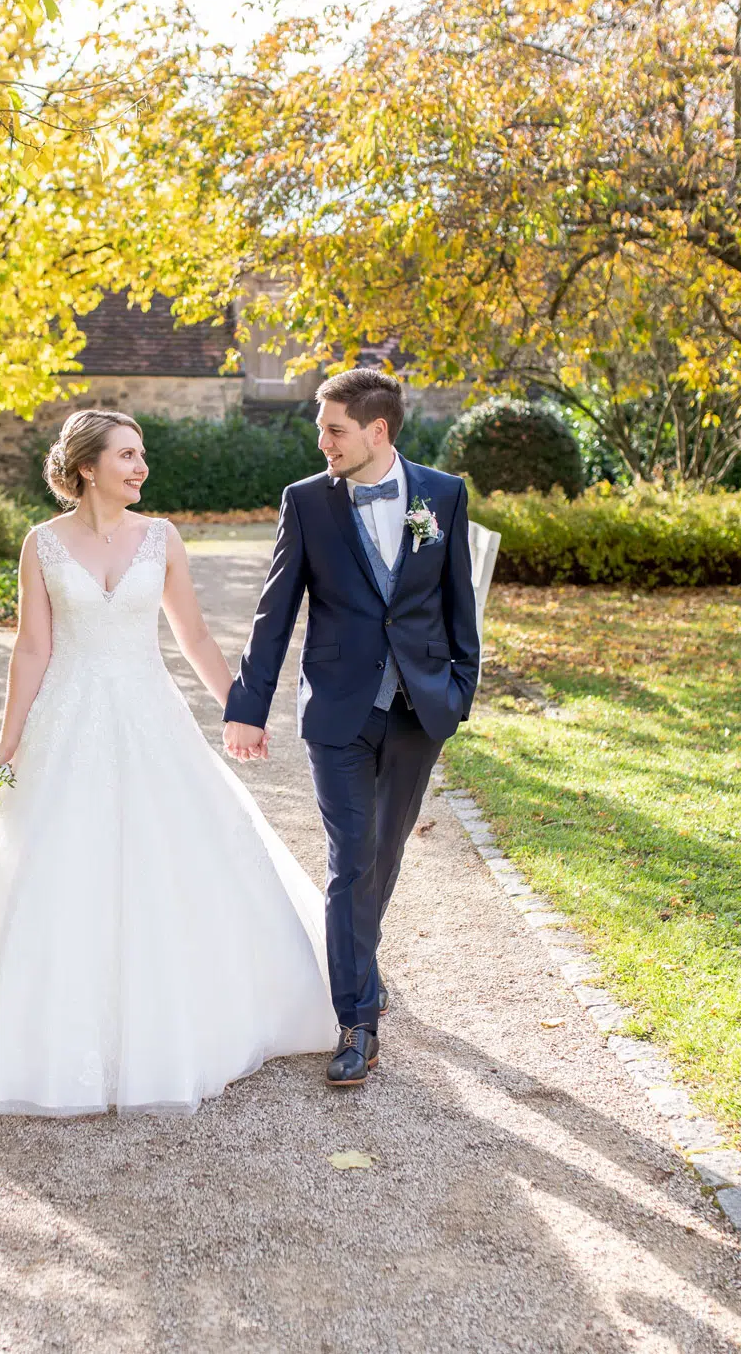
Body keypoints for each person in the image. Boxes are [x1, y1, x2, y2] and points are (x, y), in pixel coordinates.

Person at [0, 409, 337, 1116]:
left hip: (148, 716)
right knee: (41, 863)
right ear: (86, 467)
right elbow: (32, 648)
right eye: (127, 455)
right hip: (66, 718)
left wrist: (238, 705)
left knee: (173, 860)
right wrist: (7, 742)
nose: (141, 466)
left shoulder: (161, 538)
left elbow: (191, 632)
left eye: (142, 454)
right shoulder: (42, 544)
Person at [222, 368, 480, 1087]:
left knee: (384, 853)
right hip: (337, 706)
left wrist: (459, 690)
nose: (322, 442)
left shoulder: (443, 494)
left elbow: (460, 603)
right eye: (320, 430)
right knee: (350, 859)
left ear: (377, 431)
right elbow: (276, 612)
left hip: (419, 705)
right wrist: (249, 702)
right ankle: (357, 1020)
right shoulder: (306, 503)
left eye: (334, 430)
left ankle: (359, 963)